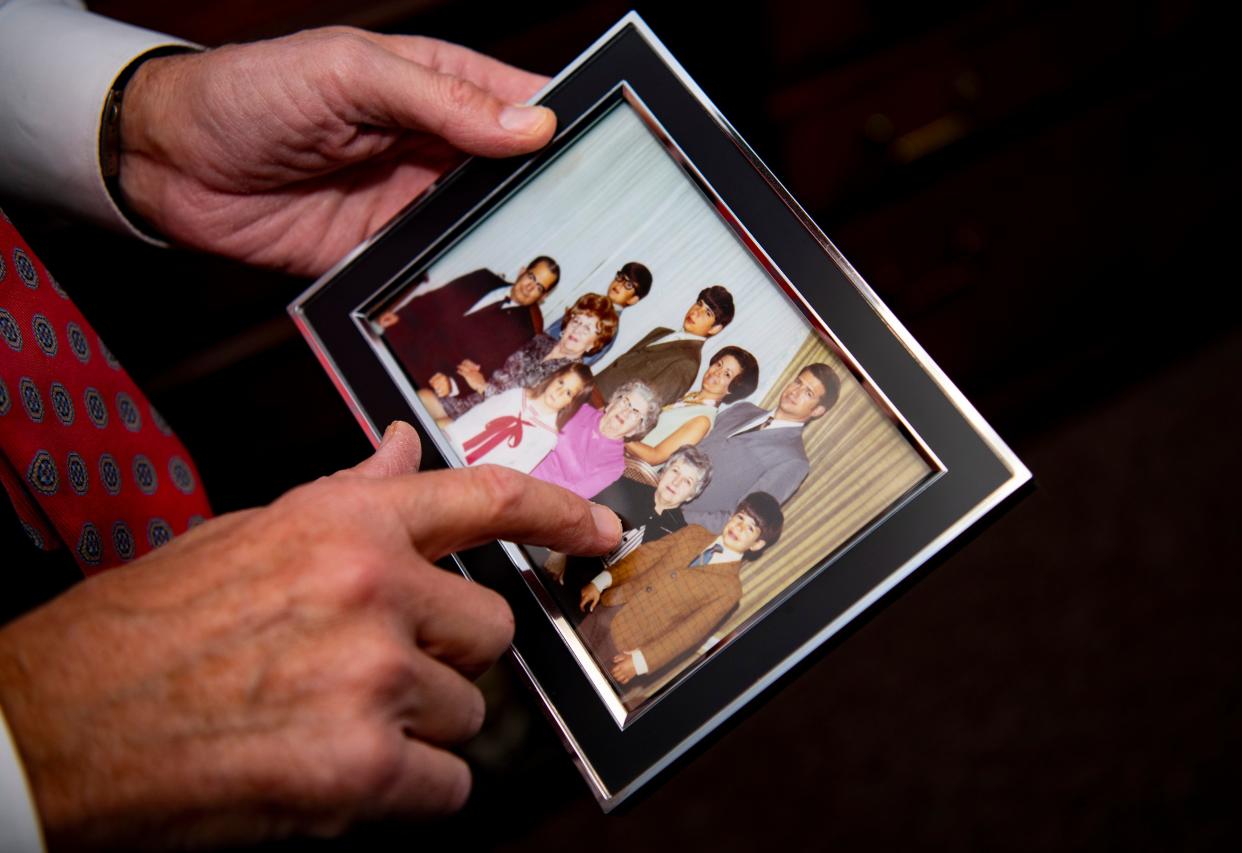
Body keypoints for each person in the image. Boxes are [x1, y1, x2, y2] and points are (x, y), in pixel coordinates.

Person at [0, 6, 624, 849]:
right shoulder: (479, 279)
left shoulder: (541, 343)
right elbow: (426, 320)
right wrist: (39, 742)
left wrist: (136, 117)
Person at [577, 492, 784, 685]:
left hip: (627, 642)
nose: (739, 527)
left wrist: (642, 661)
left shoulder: (729, 590)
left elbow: (689, 633)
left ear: (756, 545)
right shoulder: (694, 533)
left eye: (750, 528)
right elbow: (645, 556)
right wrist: (602, 581)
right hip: (608, 605)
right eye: (740, 518)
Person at [680, 364, 842, 533]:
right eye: (798, 382)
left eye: (808, 393)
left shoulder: (794, 461)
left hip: (682, 527)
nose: (795, 392)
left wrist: (680, 519)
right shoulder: (743, 409)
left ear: (817, 410)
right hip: (655, 487)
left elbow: (740, 519)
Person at [418, 292, 616, 422]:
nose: (578, 330)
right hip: (472, 401)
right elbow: (497, 365)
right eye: (577, 321)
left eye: (588, 328)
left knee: (440, 427)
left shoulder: (572, 376)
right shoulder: (540, 340)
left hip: (491, 421)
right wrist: (472, 371)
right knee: (421, 397)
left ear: (594, 344)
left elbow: (524, 411)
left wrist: (482, 387)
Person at [543, 444, 712, 587]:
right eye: (675, 471)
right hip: (571, 561)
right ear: (664, 471)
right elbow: (580, 512)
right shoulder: (625, 488)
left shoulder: (679, 535)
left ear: (691, 495)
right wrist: (559, 552)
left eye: (687, 481)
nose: (676, 482)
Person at [379, 257, 560, 391]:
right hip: (409, 334)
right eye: (531, 277)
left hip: (433, 371)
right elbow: (435, 299)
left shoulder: (523, 331)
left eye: (539, 287)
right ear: (522, 271)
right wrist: (401, 315)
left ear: (543, 297)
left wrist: (452, 384)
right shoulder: (483, 277)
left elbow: (488, 368)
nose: (530, 287)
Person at [593, 285, 735, 407]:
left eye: (707, 313)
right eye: (699, 303)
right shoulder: (661, 331)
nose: (697, 312)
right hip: (590, 389)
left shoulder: (688, 363)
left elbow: (647, 406)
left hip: (600, 411)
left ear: (714, 329)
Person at [624, 345, 759, 471]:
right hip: (621, 453)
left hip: (629, 469)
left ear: (733, 388)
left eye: (727, 374)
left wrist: (620, 433)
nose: (717, 372)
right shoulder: (690, 397)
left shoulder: (703, 420)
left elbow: (654, 457)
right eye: (719, 364)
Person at [444, 363, 593, 472]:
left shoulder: (547, 436)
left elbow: (519, 470)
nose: (559, 391)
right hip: (455, 443)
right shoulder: (517, 395)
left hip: (477, 475)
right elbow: (478, 414)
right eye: (561, 382)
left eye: (568, 393)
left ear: (570, 404)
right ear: (554, 377)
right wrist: (450, 434)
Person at [529, 381, 661, 500]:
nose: (625, 412)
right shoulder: (576, 409)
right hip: (521, 464)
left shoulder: (614, 466)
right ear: (612, 404)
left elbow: (574, 497)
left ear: (635, 430)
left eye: (635, 413)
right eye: (626, 402)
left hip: (543, 499)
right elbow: (533, 433)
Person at [544, 262, 653, 366]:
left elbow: (578, 364)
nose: (619, 284)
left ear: (633, 299)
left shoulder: (611, 328)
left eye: (628, 285)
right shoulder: (589, 302)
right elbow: (553, 329)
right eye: (620, 277)